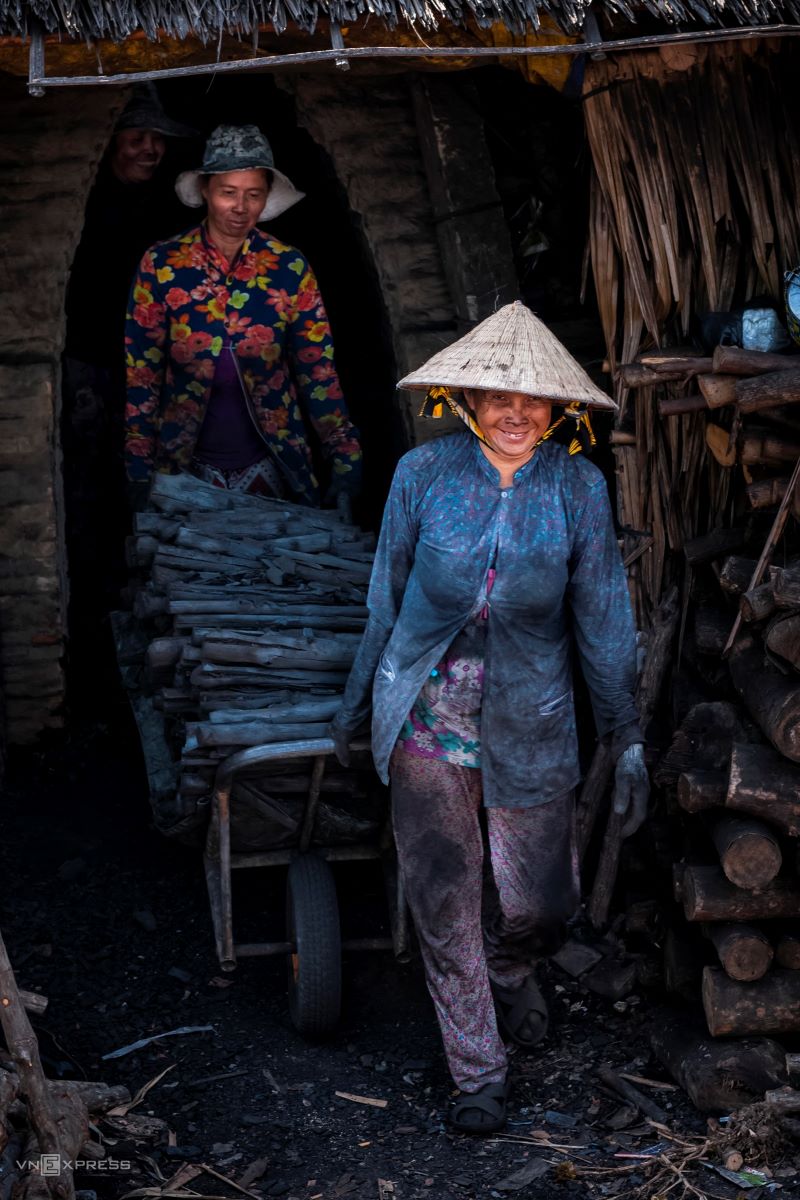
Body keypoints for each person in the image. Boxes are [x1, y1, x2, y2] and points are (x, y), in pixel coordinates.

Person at [330, 302, 649, 1134]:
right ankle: (478, 1073)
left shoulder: (577, 486)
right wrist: (358, 704)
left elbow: (605, 618)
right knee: (443, 896)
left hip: (533, 722)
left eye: (534, 401)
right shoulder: (422, 477)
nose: (516, 414)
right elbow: (385, 601)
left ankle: (511, 971)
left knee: (539, 903)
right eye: (497, 397)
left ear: (557, 410)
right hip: (429, 719)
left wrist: (629, 732)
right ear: (465, 398)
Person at [124, 124, 362, 509]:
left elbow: (318, 372)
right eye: (228, 193)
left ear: (267, 196)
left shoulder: (288, 267)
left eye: (253, 195)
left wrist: (346, 459)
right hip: (183, 468)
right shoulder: (163, 265)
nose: (240, 207)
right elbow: (142, 375)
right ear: (205, 190)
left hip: (273, 464)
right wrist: (137, 467)